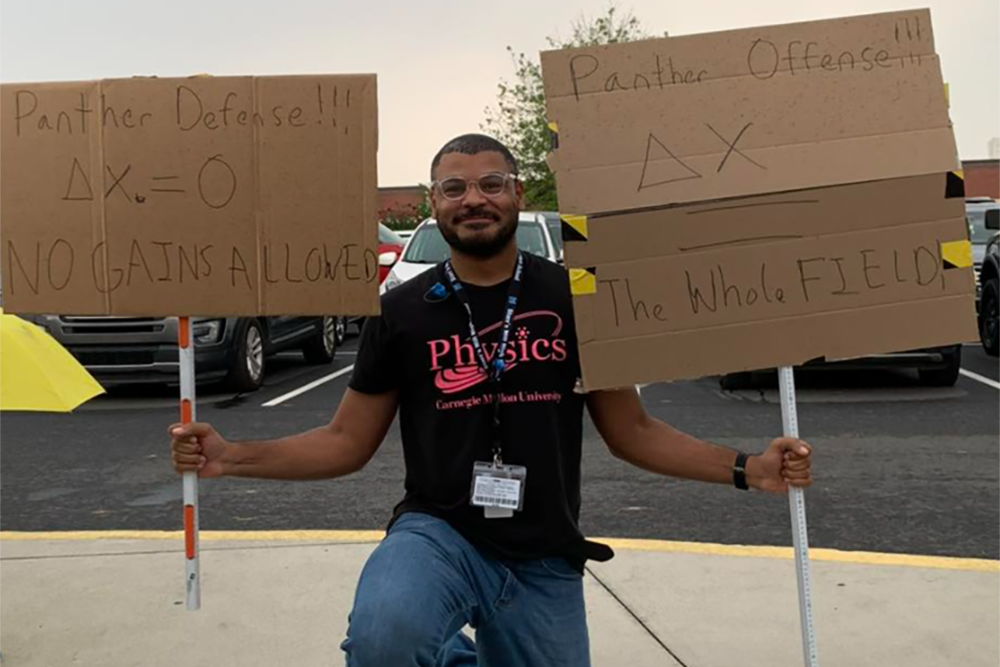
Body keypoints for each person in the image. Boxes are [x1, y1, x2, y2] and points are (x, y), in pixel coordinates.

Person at [170, 134, 813, 667]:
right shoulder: (400, 312)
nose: (473, 199)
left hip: (544, 550)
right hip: (440, 531)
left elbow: (633, 431)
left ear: (517, 194)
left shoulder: (575, 297)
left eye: (490, 183)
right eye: (455, 187)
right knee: (385, 636)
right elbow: (345, 441)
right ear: (434, 204)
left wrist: (747, 467)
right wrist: (232, 456)